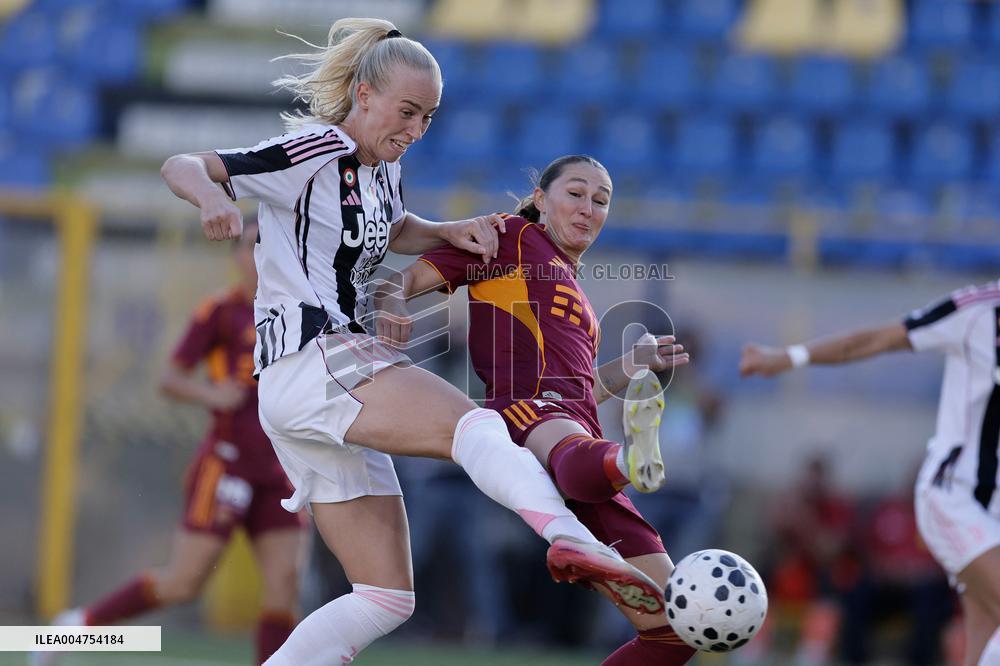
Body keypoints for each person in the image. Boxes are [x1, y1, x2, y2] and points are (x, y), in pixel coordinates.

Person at [159, 19, 663, 665]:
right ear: (364, 94)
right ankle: (574, 542)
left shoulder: (382, 172)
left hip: (309, 390)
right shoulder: (317, 149)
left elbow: (392, 229)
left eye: (428, 116)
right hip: (316, 358)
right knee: (476, 426)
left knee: (385, 596)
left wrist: (448, 230)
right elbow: (184, 165)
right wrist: (209, 198)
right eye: (407, 111)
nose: (416, 129)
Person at [374, 154, 697, 665]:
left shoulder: (579, 296)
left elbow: (583, 389)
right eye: (576, 193)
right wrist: (391, 305)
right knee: (569, 446)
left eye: (601, 200)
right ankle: (629, 461)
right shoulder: (510, 237)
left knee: (677, 630)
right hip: (525, 415)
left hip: (579, 432)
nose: (588, 207)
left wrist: (631, 366)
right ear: (542, 200)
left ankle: (620, 466)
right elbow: (398, 282)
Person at [33, 223, 306, 666]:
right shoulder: (220, 311)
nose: (255, 256)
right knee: (183, 583)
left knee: (285, 584)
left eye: (267, 247)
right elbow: (170, 379)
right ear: (235, 256)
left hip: (282, 471)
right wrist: (211, 393)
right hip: (227, 465)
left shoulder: (302, 310)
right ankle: (78, 628)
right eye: (247, 247)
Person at [740, 281, 1000, 666]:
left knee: (986, 632)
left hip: (992, 511)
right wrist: (788, 357)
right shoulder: (977, 311)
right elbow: (876, 339)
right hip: (952, 495)